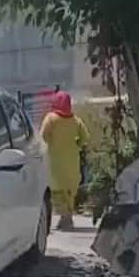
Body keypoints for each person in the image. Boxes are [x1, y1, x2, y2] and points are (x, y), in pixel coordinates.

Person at [38, 92, 88, 230]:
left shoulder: (51, 119)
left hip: (56, 162)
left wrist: (52, 142)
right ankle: (67, 217)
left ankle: (65, 216)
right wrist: (77, 145)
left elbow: (44, 135)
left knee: (57, 191)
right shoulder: (76, 121)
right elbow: (85, 137)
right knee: (69, 192)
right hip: (72, 162)